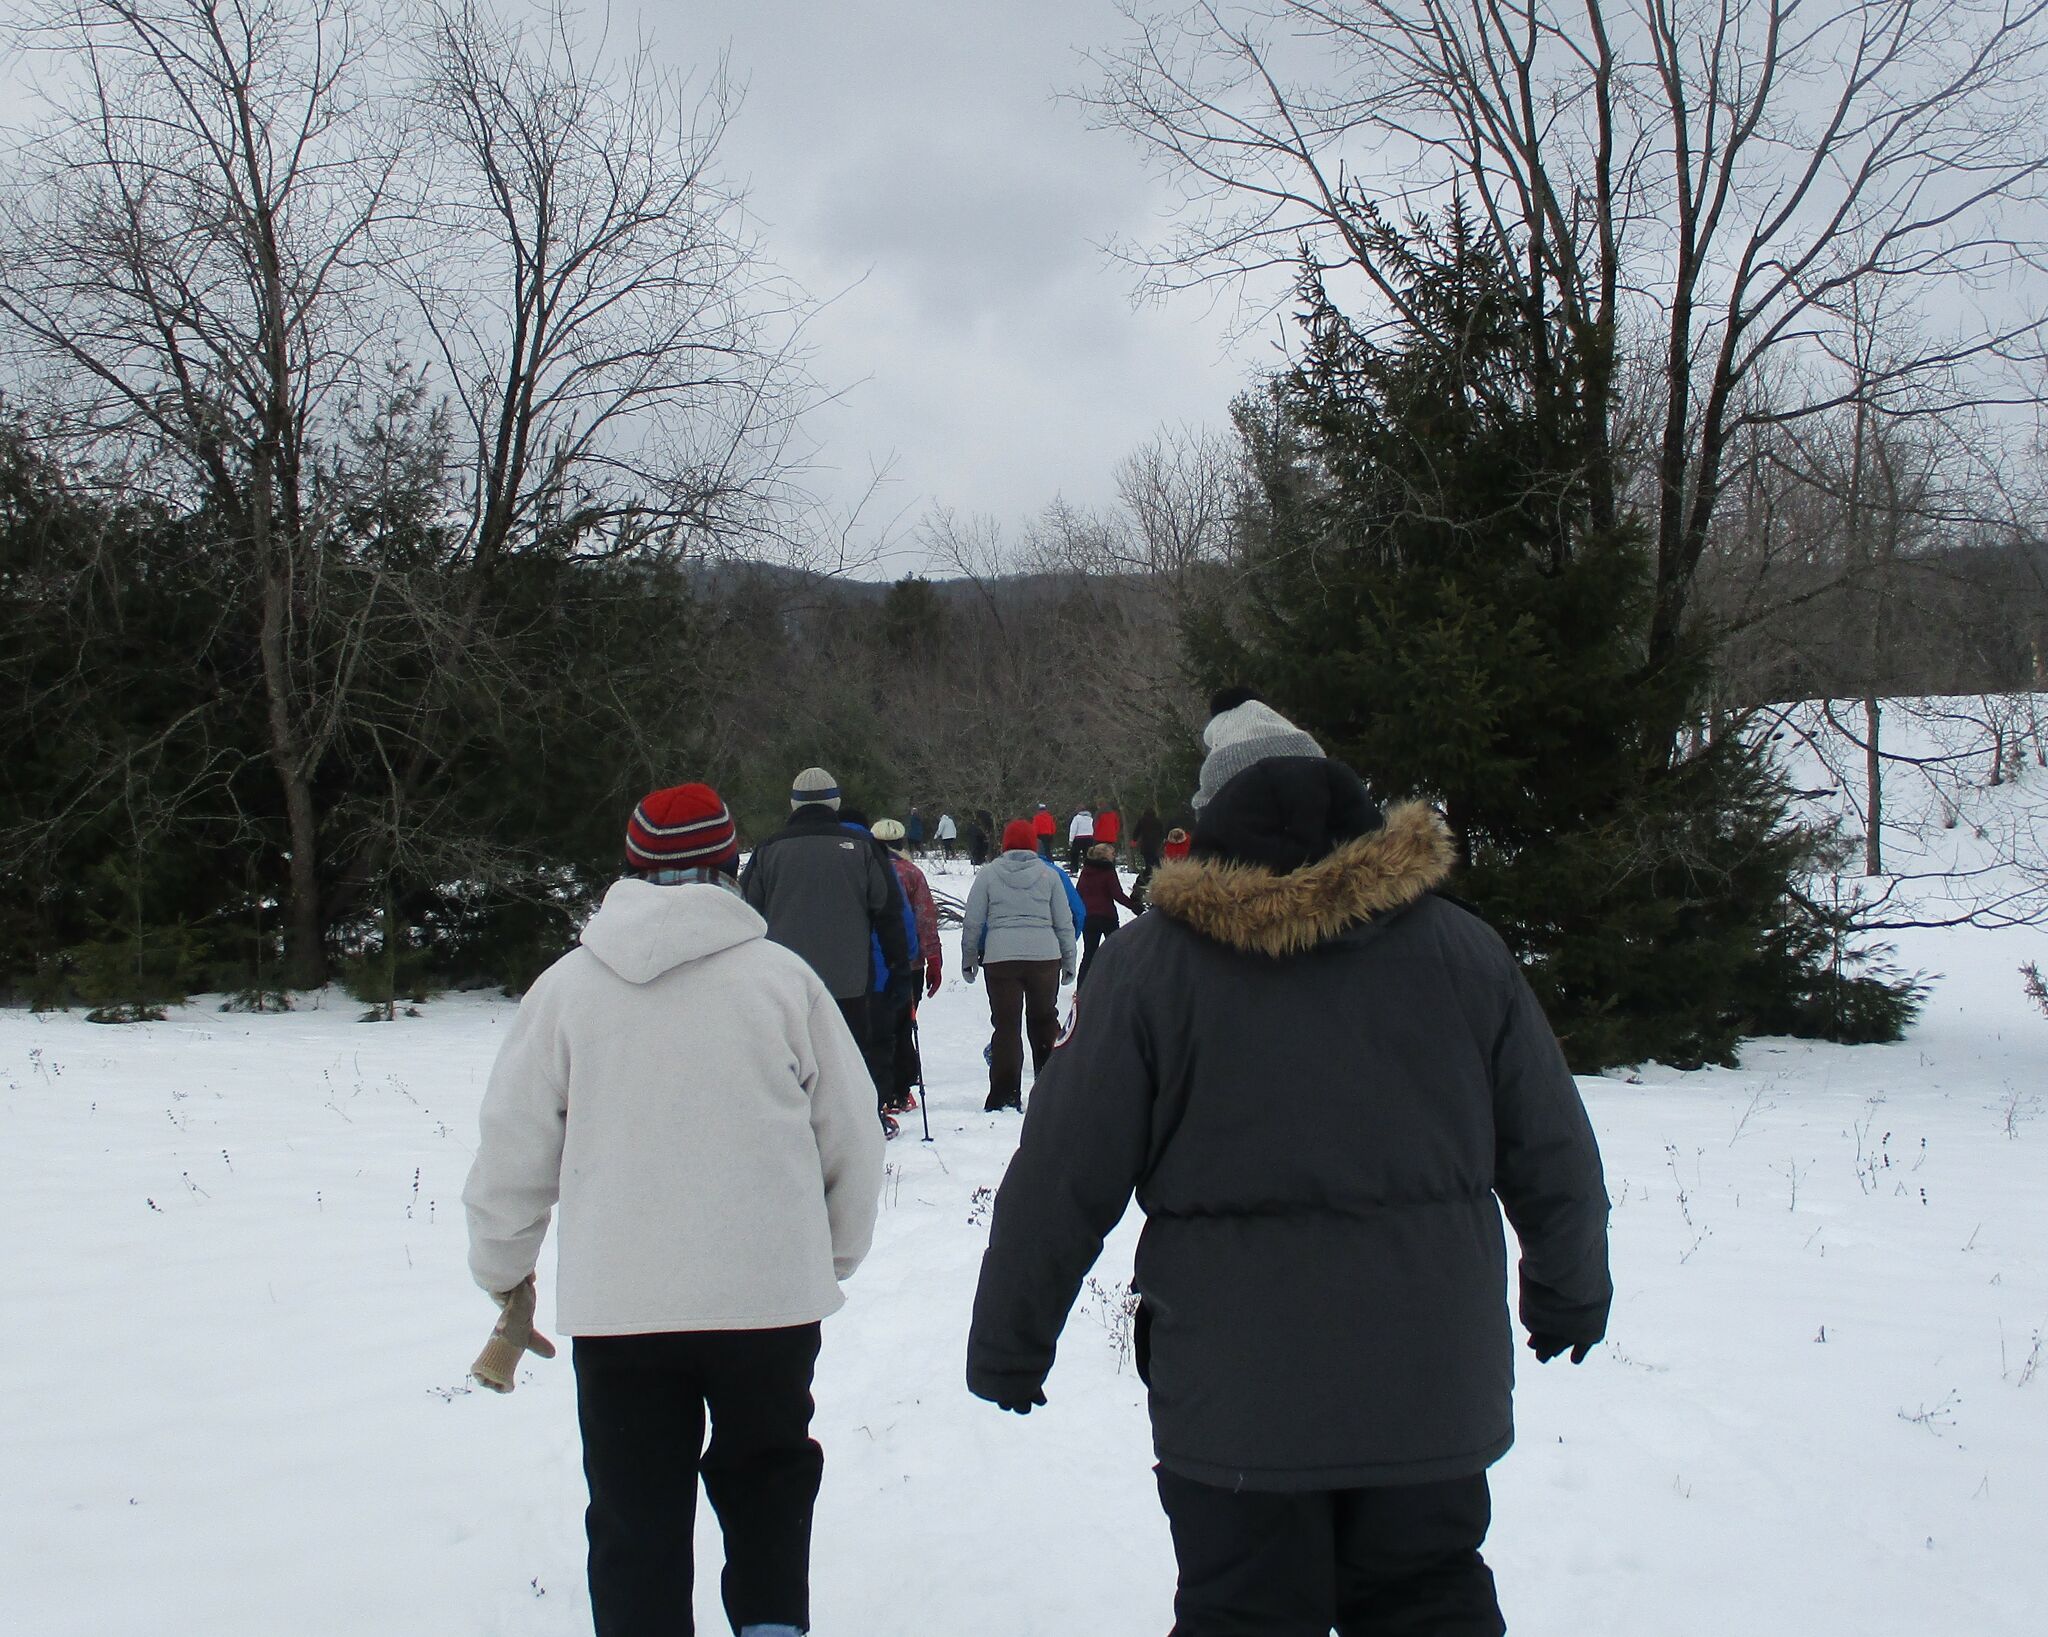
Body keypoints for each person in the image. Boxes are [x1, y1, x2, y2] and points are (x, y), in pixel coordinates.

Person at [966, 694, 1612, 1637]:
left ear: (1212, 820)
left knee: (1244, 1610)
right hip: (1428, 1386)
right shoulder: (1462, 953)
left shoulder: (1152, 967)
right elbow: (1554, 1144)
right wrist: (1571, 1284)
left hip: (1237, 1403)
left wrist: (1013, 1338)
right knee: (1429, 1597)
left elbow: (1063, 1172)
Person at [464, 781, 884, 1637]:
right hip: (767, 1296)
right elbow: (853, 1134)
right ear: (729, 868)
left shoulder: (568, 990)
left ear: (630, 868)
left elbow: (512, 1146)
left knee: (634, 1513)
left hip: (623, 1307)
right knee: (768, 1481)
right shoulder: (784, 982)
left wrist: (502, 1270)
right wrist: (828, 1255)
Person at [741, 766, 908, 1135]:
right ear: (835, 803)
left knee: (789, 1057)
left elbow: (743, 913)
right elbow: (890, 914)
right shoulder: (864, 849)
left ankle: (789, 1126)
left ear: (793, 804)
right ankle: (858, 1124)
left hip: (783, 982)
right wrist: (899, 970)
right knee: (848, 1057)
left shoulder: (768, 850)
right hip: (849, 980)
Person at [960, 819, 1077, 1112]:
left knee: (1006, 1025)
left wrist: (969, 958)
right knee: (1044, 1020)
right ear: (1034, 844)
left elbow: (973, 921)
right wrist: (1069, 961)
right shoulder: (1049, 876)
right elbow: (1064, 921)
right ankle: (1052, 1090)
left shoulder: (988, 875)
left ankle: (1004, 1095)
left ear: (1005, 844)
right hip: (1044, 958)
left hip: (1001, 959)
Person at [872, 818, 942, 1115]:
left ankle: (881, 1089)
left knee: (878, 1027)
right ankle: (900, 1089)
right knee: (903, 1027)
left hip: (871, 963)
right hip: (908, 964)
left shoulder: (866, 870)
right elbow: (925, 917)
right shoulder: (911, 873)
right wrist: (933, 958)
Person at [1074, 842, 1137, 986]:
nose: (1114, 856)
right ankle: (1122, 983)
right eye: (1112, 853)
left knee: (1089, 953)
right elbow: (1117, 894)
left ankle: (1082, 987)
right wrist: (1134, 907)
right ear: (1105, 856)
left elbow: (1079, 893)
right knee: (1117, 951)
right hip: (1107, 917)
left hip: (1089, 918)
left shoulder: (1086, 870)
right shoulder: (1108, 870)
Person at [1066, 805, 1095, 871]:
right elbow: (1093, 828)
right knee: (1087, 855)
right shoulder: (1090, 819)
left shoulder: (1077, 818)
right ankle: (1088, 869)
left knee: (1074, 855)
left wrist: (1071, 840)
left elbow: (1073, 829)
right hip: (1089, 838)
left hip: (1078, 838)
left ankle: (1074, 869)